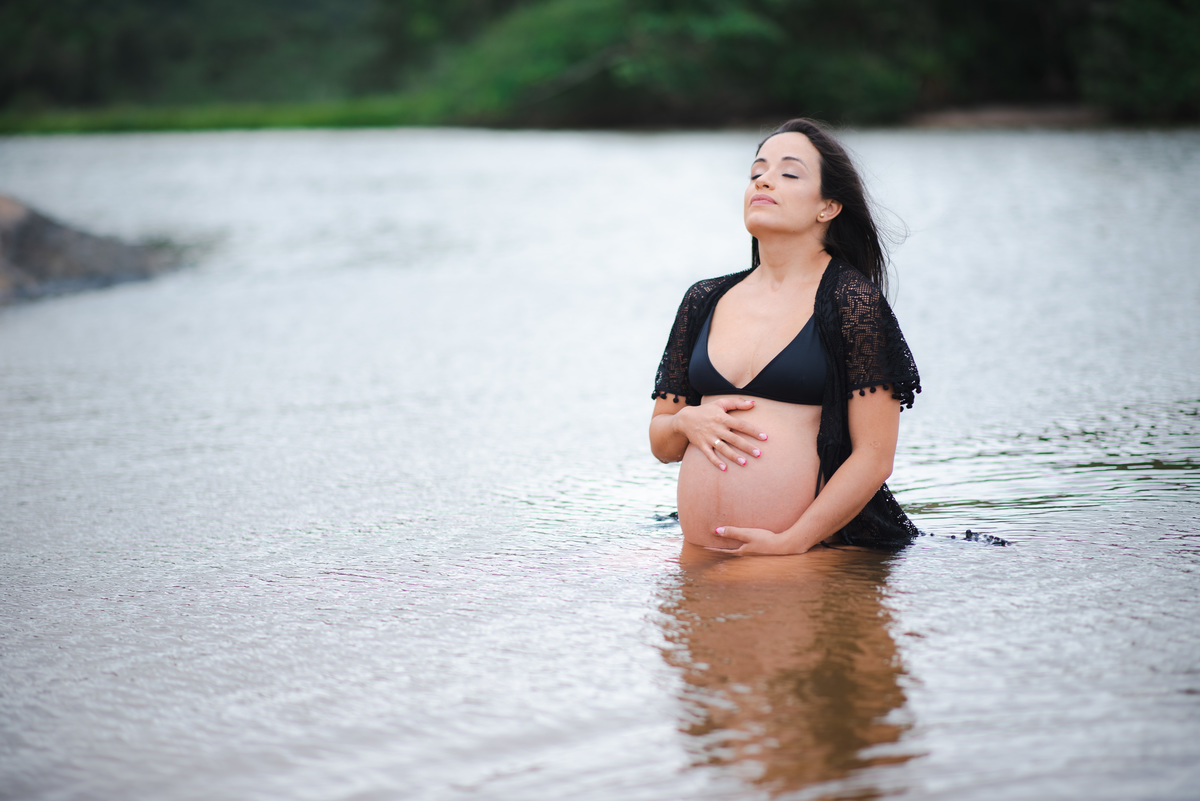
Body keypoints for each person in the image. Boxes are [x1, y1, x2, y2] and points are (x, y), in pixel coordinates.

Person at [649, 118, 921, 555]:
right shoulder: (704, 299)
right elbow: (663, 444)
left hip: (805, 553)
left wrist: (792, 542)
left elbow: (874, 458)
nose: (765, 181)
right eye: (757, 172)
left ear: (828, 207)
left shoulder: (852, 302)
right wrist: (685, 421)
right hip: (697, 550)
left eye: (788, 173)